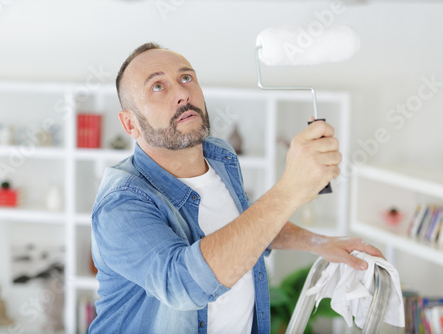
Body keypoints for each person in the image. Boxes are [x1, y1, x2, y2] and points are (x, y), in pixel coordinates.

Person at [89, 42, 383, 334]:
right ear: (130, 125)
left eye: (186, 78)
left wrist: (318, 243)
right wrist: (289, 190)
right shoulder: (122, 202)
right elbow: (184, 284)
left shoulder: (220, 155)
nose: (181, 93)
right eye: (157, 86)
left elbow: (241, 223)